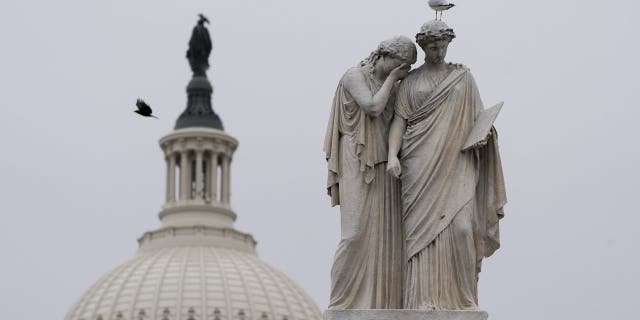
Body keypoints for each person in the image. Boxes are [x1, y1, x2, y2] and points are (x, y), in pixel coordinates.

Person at [386, 20, 507, 310]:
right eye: (430, 47)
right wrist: (392, 155)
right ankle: (422, 300)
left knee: (463, 229)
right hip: (418, 163)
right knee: (420, 236)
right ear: (423, 47)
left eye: (440, 46)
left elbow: (479, 118)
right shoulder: (411, 82)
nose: (437, 51)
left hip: (457, 161)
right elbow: (399, 122)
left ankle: (463, 300)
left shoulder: (463, 78)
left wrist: (485, 134)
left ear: (448, 44)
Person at [324, 36, 417, 309]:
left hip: (383, 165)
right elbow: (373, 108)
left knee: (383, 237)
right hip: (355, 156)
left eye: (409, 68)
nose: (405, 72)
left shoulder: (397, 87)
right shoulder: (354, 76)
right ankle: (341, 303)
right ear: (384, 57)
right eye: (402, 66)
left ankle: (380, 303)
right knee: (353, 234)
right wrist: (394, 79)